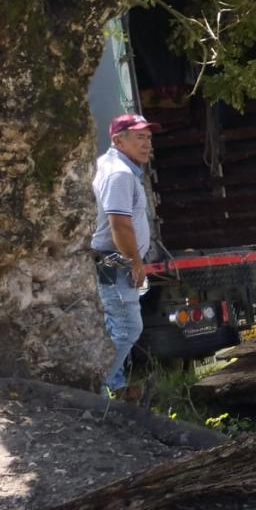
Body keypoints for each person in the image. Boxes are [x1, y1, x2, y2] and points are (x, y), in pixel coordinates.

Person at [91, 113, 159, 402]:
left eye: (148, 137)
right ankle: (93, 387)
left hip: (110, 259)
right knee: (129, 327)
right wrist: (135, 262)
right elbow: (119, 223)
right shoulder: (119, 173)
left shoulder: (115, 166)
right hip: (115, 261)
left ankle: (116, 390)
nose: (146, 144)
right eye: (139, 137)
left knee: (113, 328)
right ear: (118, 140)